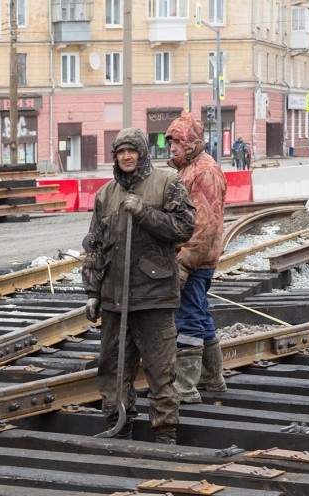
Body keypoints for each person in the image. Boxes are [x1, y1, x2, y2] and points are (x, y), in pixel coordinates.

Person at [81, 128, 196, 445]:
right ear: (115, 157)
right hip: (114, 301)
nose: (127, 156)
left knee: (161, 371)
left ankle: (164, 432)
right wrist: (92, 292)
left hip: (154, 298)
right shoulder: (106, 194)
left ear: (143, 153)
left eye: (132, 151)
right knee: (113, 370)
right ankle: (120, 425)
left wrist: (144, 213)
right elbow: (96, 246)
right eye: (121, 152)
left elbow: (184, 228)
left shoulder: (167, 184)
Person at [166, 113, 228, 405]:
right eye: (170, 142)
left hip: (194, 259)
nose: (172, 147)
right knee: (200, 314)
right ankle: (212, 378)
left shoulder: (203, 171)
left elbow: (204, 225)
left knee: (188, 317)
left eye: (178, 141)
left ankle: (186, 385)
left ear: (191, 142)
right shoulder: (191, 168)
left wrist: (184, 261)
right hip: (197, 258)